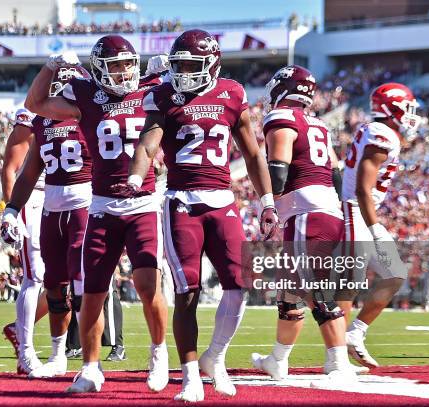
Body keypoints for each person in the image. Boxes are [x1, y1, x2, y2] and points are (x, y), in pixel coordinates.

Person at [116, 29, 278, 401]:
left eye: (191, 65)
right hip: (182, 202)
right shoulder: (163, 95)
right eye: (178, 65)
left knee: (238, 285)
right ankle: (190, 373)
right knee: (186, 290)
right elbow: (148, 141)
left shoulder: (232, 93)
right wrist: (137, 175)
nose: (183, 72)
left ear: (212, 64)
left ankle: (214, 356)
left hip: (222, 200)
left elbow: (253, 154)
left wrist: (267, 202)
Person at [24, 39, 171, 394]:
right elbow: (36, 104)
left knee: (148, 285)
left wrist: (169, 73)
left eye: (128, 64)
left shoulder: (151, 90)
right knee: (92, 291)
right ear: (100, 67)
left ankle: (159, 353)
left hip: (143, 203)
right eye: (116, 65)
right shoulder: (85, 95)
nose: (124, 72)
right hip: (103, 205)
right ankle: (90, 367)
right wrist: (50, 66)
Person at [249, 65, 358, 387]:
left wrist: (268, 203)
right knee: (290, 293)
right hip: (323, 210)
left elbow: (279, 172)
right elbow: (337, 176)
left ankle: (339, 364)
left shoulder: (281, 117)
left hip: (305, 212)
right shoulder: (319, 124)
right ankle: (277, 361)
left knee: (315, 290)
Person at [2, 65, 93, 379]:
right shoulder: (40, 122)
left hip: (85, 202)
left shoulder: (90, 114)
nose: (62, 95)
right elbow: (28, 171)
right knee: (53, 282)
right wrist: (11, 208)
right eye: (58, 88)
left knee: (84, 283)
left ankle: (90, 363)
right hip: (51, 204)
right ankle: (56, 355)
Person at [338, 82, 420, 368]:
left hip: (359, 211)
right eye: (407, 108)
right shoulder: (382, 133)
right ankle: (335, 356)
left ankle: (355, 333)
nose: (411, 115)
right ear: (392, 108)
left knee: (394, 274)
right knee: (347, 284)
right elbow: (363, 188)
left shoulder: (378, 132)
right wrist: (375, 227)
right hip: (353, 211)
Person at [0, 105, 49, 375]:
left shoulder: (76, 103)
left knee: (68, 282)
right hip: (35, 197)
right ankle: (26, 350)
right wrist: (12, 212)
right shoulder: (32, 114)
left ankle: (23, 333)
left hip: (66, 197)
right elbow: (11, 167)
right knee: (35, 276)